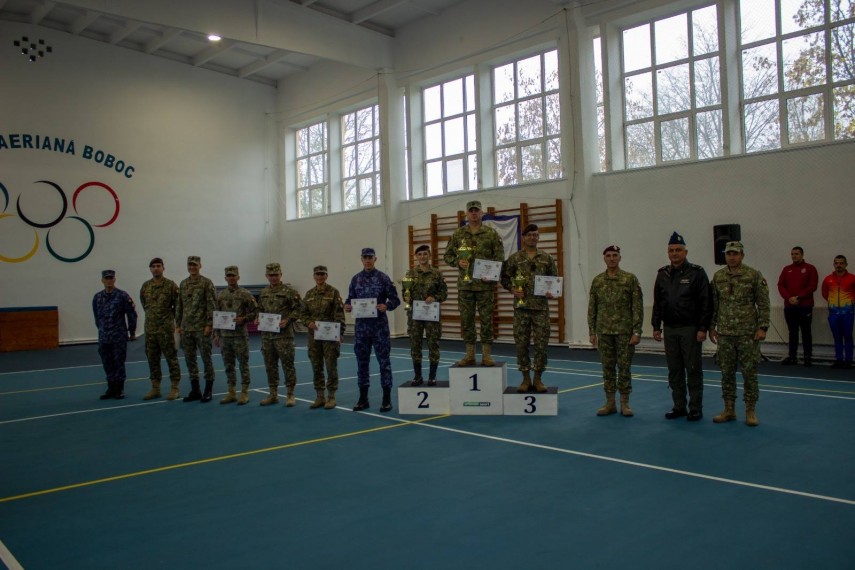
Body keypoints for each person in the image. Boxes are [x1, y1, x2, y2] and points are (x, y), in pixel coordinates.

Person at [651, 232, 712, 421]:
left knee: (693, 368)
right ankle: (679, 406)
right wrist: (656, 326)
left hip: (690, 328)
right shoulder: (662, 274)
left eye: (678, 250)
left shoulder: (696, 272)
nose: (674, 253)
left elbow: (705, 302)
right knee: (674, 370)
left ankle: (695, 407)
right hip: (670, 329)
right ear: (668, 253)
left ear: (685, 252)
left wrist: (703, 328)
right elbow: (658, 302)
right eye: (671, 250)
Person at [709, 241, 770, 427]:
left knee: (749, 373)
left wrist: (763, 327)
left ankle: (750, 411)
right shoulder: (718, 276)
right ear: (725, 256)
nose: (732, 257)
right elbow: (714, 304)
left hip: (747, 333)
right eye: (729, 254)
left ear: (742, 255)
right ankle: (729, 409)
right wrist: (712, 326)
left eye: (735, 253)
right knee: (726, 373)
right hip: (725, 333)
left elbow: (763, 302)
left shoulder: (753, 275)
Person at [443, 200, 504, 367]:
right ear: (466, 214)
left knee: (486, 320)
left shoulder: (491, 234)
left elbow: (499, 258)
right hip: (465, 286)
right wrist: (458, 262)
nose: (474, 213)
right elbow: (446, 255)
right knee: (467, 320)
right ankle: (470, 354)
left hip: (485, 286)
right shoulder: (458, 234)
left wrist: (492, 275)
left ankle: (486, 355)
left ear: (482, 213)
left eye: (477, 210)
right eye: (471, 211)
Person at [500, 223, 558, 393]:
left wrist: (552, 292)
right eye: (529, 235)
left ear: (538, 237)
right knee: (521, 344)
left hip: (541, 309)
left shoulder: (547, 258)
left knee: (541, 345)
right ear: (523, 238)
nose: (533, 237)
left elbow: (554, 280)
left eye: (535, 235)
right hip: (521, 308)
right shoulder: (514, 258)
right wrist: (512, 289)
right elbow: (504, 278)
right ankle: (525, 378)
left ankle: (538, 378)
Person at [587, 245, 643, 417]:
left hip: (624, 332)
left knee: (624, 368)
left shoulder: (629, 279)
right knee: (607, 368)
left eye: (615, 255)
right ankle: (610, 402)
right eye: (608, 255)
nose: (612, 258)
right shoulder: (597, 281)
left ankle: (625, 403)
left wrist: (637, 331)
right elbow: (592, 308)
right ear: (604, 258)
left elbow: (637, 307)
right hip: (604, 332)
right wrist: (592, 331)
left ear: (620, 257)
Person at [345, 247, 400, 412]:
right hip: (361, 329)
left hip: (379, 329)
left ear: (375, 259)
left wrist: (387, 305)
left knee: (384, 363)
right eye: (365, 257)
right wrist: (347, 305)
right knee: (362, 364)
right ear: (361, 259)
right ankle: (363, 399)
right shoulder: (355, 279)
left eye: (370, 257)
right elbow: (350, 298)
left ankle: (386, 399)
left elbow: (396, 299)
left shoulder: (383, 278)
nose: (367, 260)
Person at [257, 263, 304, 407]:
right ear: (266, 276)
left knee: (287, 365)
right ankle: (273, 394)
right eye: (271, 275)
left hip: (284, 336)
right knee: (270, 366)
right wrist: (257, 318)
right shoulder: (263, 292)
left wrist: (288, 320)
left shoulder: (289, 292)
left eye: (276, 275)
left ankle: (290, 395)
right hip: (267, 337)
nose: (273, 277)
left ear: (280, 275)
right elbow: (260, 310)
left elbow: (300, 309)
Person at [301, 265, 346, 409]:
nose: (320, 277)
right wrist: (309, 323)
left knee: (331, 365)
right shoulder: (308, 294)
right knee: (316, 365)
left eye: (322, 274)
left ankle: (331, 396)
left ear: (327, 276)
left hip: (330, 336)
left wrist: (340, 333)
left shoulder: (333, 292)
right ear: (313, 276)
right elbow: (303, 314)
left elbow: (339, 314)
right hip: (314, 336)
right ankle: (319, 396)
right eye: (317, 274)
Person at [213, 266, 258, 405]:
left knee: (243, 364)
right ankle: (231, 391)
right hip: (225, 337)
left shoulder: (245, 294)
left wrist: (244, 319)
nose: (231, 278)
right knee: (228, 365)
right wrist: (216, 334)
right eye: (229, 276)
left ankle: (244, 392)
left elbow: (256, 311)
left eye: (234, 276)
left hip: (240, 336)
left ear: (238, 277)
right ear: (225, 278)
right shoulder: (221, 295)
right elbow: (217, 315)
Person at [175, 255, 217, 403]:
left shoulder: (206, 283)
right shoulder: (183, 284)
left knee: (206, 358)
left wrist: (209, 324)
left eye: (195, 265)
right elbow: (179, 305)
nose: (192, 267)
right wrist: (178, 325)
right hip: (186, 328)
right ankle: (195, 389)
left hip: (201, 328)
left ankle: (208, 389)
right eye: (190, 265)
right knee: (189, 359)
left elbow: (211, 305)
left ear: (200, 266)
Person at [405, 245, 448, 386]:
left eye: (425, 254)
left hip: (431, 316)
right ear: (416, 257)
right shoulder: (410, 274)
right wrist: (406, 298)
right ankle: (418, 376)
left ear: (429, 255)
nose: (422, 257)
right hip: (415, 316)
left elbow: (444, 293)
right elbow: (405, 293)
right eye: (419, 254)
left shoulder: (437, 274)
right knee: (415, 345)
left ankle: (432, 376)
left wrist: (434, 297)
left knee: (433, 344)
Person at [139, 257, 182, 400]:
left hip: (166, 330)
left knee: (171, 359)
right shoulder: (145, 286)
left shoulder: (171, 286)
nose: (156, 268)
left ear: (163, 268)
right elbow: (144, 304)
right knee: (152, 359)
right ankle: (155, 388)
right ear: (150, 269)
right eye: (153, 266)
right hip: (150, 330)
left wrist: (176, 325)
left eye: (158, 266)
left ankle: (175, 388)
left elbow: (177, 307)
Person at [92, 269, 137, 400]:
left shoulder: (122, 296)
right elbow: (97, 317)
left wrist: (132, 331)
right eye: (106, 278)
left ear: (115, 279)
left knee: (119, 362)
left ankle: (119, 388)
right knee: (107, 363)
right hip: (104, 337)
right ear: (102, 280)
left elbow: (131, 314)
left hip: (118, 336)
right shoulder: (97, 297)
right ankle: (110, 387)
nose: (109, 281)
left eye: (111, 278)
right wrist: (101, 330)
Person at [777, 246, 818, 366]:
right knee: (792, 332)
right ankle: (792, 356)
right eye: (792, 254)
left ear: (802, 255)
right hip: (790, 306)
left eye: (797, 254)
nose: (794, 256)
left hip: (805, 306)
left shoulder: (810, 268)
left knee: (806, 331)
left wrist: (798, 297)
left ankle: (807, 357)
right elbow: (780, 285)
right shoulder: (786, 269)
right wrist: (789, 298)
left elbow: (812, 286)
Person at [821, 255, 855, 369]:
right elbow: (825, 294)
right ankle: (839, 359)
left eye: (841, 263)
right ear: (834, 265)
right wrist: (833, 304)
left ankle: (849, 360)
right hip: (834, 313)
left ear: (846, 265)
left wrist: (850, 303)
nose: (839, 265)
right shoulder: (828, 279)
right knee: (837, 336)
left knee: (848, 336)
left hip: (848, 313)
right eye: (836, 263)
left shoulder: (852, 278)